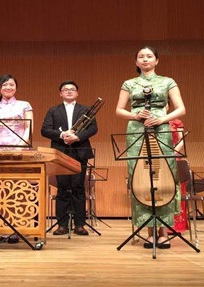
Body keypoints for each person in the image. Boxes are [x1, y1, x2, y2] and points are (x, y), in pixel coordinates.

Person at [115, 46, 185, 249]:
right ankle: (149, 231)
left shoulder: (168, 81)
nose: (145, 59)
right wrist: (135, 115)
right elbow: (119, 110)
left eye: (149, 56)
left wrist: (162, 119)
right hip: (137, 129)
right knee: (140, 177)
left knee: (164, 176)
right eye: (141, 57)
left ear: (157, 60)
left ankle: (164, 231)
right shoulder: (129, 83)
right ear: (136, 62)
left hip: (161, 128)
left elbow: (181, 108)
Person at [41, 81, 98, 236]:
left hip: (80, 152)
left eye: (72, 89)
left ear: (77, 93)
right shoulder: (53, 110)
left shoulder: (85, 109)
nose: (69, 91)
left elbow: (93, 128)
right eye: (65, 89)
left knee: (78, 187)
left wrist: (77, 137)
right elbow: (45, 130)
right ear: (60, 93)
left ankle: (79, 224)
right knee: (63, 188)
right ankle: (62, 225)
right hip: (61, 152)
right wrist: (62, 135)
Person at [0, 74, 33, 243]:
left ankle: (15, 229)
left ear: (16, 87)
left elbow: (28, 128)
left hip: (19, 151)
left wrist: (20, 147)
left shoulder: (24, 105)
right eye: (4, 85)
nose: (8, 88)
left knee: (17, 191)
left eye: (11, 85)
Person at [169, 117, 189, 233]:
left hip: (174, 156)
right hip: (159, 156)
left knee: (177, 189)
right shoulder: (154, 120)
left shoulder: (176, 122)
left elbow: (182, 140)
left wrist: (173, 152)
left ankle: (177, 225)